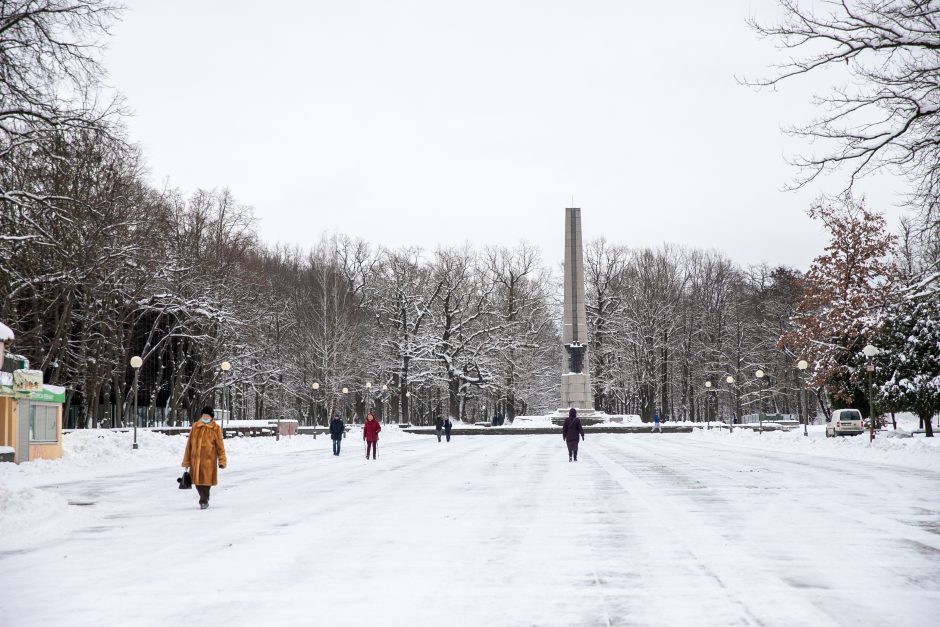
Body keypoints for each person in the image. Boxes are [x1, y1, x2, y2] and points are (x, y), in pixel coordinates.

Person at [182, 406, 227, 509]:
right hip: (195, 460)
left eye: (207, 415)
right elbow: (189, 445)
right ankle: (204, 498)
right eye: (203, 415)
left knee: (206, 482)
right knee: (197, 482)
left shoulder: (215, 428)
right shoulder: (195, 426)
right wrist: (186, 461)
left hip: (208, 461)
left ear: (211, 417)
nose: (205, 417)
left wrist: (222, 460)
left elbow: (220, 446)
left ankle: (204, 500)